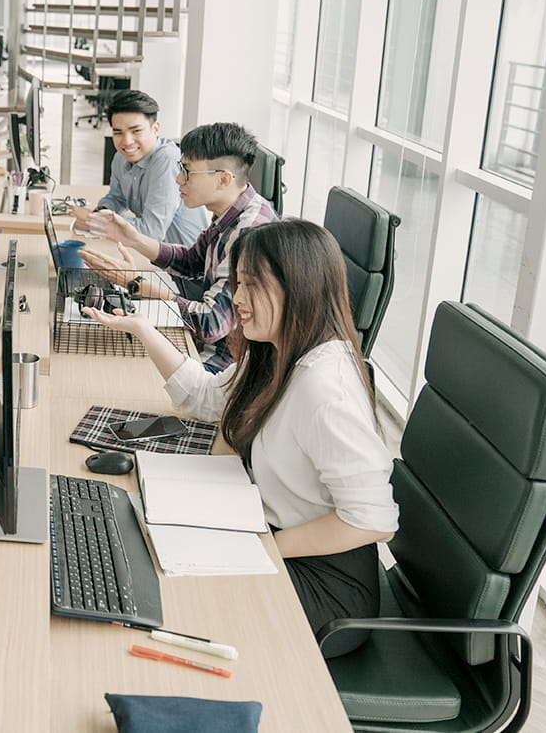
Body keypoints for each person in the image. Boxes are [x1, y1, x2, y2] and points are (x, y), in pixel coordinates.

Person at [83, 219, 397, 657]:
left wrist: (262, 546)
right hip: (267, 528)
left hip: (323, 583)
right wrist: (142, 328)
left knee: (170, 601)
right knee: (137, 537)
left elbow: (372, 519)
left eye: (252, 286)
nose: (238, 300)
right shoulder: (276, 349)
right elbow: (207, 398)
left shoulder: (325, 388)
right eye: (237, 283)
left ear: (298, 289)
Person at [81, 121, 277, 371]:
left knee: (114, 365)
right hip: (204, 344)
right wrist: (135, 240)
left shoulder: (248, 233)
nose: (178, 178)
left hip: (225, 364)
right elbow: (193, 262)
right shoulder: (230, 211)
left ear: (223, 179)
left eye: (187, 171)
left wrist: (136, 283)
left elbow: (210, 322)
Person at [70, 90, 207, 246]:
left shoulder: (167, 160)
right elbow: (117, 198)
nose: (127, 141)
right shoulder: (121, 157)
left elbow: (152, 230)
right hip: (151, 252)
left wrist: (94, 222)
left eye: (136, 131)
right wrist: (100, 212)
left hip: (182, 263)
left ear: (155, 128)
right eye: (118, 132)